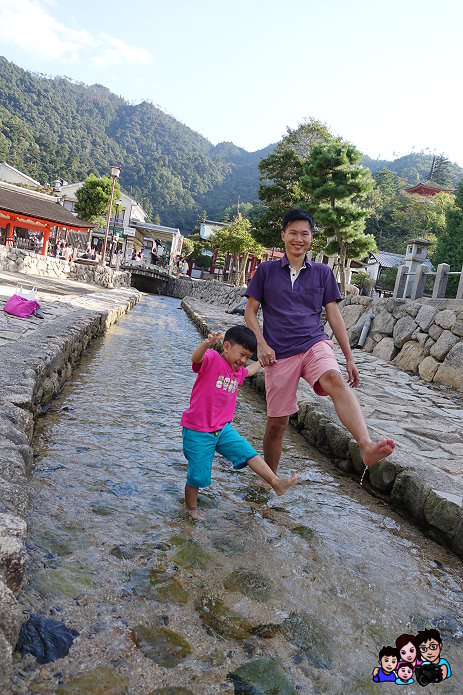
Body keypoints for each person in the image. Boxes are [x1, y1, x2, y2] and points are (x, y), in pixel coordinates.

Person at [244, 208, 395, 475]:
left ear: (312, 237)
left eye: (305, 233)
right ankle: (270, 479)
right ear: (283, 235)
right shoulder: (266, 271)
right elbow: (250, 312)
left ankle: (366, 446)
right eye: (293, 233)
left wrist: (349, 358)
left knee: (334, 379)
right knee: (277, 424)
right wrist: (261, 344)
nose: (298, 239)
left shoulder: (323, 273)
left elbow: (335, 318)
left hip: (314, 343)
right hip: (279, 353)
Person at [180, 325, 298, 519]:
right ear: (226, 346)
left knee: (248, 452)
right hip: (198, 430)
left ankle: (275, 483)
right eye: (241, 354)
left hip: (222, 429)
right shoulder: (212, 359)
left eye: (247, 357)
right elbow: (195, 359)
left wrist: (261, 362)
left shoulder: (238, 371)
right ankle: (190, 509)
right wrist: (206, 344)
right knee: (197, 476)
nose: (243, 361)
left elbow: (250, 371)